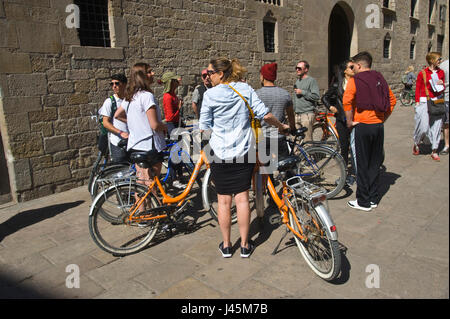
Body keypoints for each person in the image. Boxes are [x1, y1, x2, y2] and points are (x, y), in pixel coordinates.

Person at [199, 57, 289, 258]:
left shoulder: (210, 95)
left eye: (211, 73)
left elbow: (204, 127)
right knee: (241, 199)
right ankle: (246, 245)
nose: (208, 77)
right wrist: (281, 126)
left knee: (223, 201)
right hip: (243, 151)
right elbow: (265, 116)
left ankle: (227, 245)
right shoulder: (245, 89)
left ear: (221, 74)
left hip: (219, 153)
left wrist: (206, 151)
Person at [343, 51, 396, 212]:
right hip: (378, 126)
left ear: (359, 65)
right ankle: (373, 198)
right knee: (375, 163)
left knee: (362, 163)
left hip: (363, 125)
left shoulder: (355, 80)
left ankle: (363, 201)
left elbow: (347, 101)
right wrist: (382, 119)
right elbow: (392, 100)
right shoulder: (379, 78)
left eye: (353, 66)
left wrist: (350, 121)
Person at [114, 63, 167, 190]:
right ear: (142, 76)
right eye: (149, 72)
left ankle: (143, 209)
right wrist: (164, 127)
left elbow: (117, 115)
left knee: (140, 185)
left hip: (135, 145)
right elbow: (154, 125)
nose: (153, 74)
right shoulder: (147, 96)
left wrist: (135, 123)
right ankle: (154, 210)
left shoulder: (130, 97)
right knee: (151, 184)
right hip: (150, 145)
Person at [321, 60, 356, 185]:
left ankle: (358, 173)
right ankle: (345, 173)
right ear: (345, 70)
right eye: (351, 67)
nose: (354, 68)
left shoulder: (359, 83)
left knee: (357, 148)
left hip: (357, 120)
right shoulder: (338, 85)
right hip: (342, 119)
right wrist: (331, 107)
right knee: (344, 147)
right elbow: (324, 98)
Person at [256, 62, 296, 161]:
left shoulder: (256, 94)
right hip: (279, 136)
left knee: (265, 170)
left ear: (263, 76)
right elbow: (291, 115)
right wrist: (293, 128)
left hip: (262, 136)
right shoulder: (285, 94)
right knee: (285, 167)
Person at [413, 52, 446, 161]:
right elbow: (418, 88)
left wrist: (442, 84)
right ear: (432, 60)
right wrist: (417, 102)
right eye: (439, 59)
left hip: (437, 101)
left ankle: (434, 150)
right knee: (423, 126)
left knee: (436, 127)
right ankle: (417, 142)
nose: (440, 61)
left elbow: (443, 87)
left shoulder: (441, 72)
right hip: (423, 101)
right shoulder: (423, 73)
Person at [98, 73, 129, 162]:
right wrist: (120, 133)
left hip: (131, 140)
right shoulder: (109, 102)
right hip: (117, 142)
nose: (114, 86)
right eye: (112, 84)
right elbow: (105, 122)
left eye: (117, 83)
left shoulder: (129, 99)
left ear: (124, 84)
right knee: (120, 171)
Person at [293, 60, 320, 141]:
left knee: (307, 140)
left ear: (306, 69)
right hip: (297, 115)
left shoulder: (311, 81)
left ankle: (309, 154)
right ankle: (296, 154)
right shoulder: (297, 81)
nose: (297, 70)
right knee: (296, 140)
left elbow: (316, 96)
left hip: (307, 115)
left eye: (299, 68)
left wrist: (303, 92)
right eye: (296, 68)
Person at [161, 71, 183, 136]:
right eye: (175, 80)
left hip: (177, 122)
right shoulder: (168, 97)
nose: (177, 82)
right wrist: (179, 107)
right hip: (172, 125)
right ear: (171, 82)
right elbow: (170, 117)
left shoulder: (172, 94)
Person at [439, 58, 449, 155]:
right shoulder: (443, 65)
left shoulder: (443, 65)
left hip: (446, 98)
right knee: (446, 123)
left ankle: (446, 145)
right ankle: (446, 145)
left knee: (446, 123)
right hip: (446, 98)